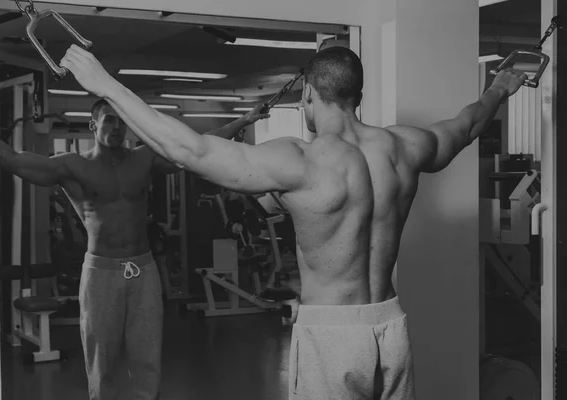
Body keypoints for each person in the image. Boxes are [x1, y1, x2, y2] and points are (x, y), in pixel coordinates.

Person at [60, 44, 526, 400]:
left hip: (331, 335)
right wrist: (500, 86)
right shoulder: (406, 147)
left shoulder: (299, 161)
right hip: (390, 326)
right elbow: (467, 126)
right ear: (356, 96)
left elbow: (190, 150)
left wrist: (105, 86)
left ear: (308, 93)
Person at [0, 99, 268, 400]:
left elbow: (199, 149)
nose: (116, 127)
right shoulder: (72, 166)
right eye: (109, 120)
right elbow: (13, 160)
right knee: (102, 359)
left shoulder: (144, 159)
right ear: (93, 125)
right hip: (102, 272)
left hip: (144, 269)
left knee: (147, 357)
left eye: (121, 121)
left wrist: (243, 120)